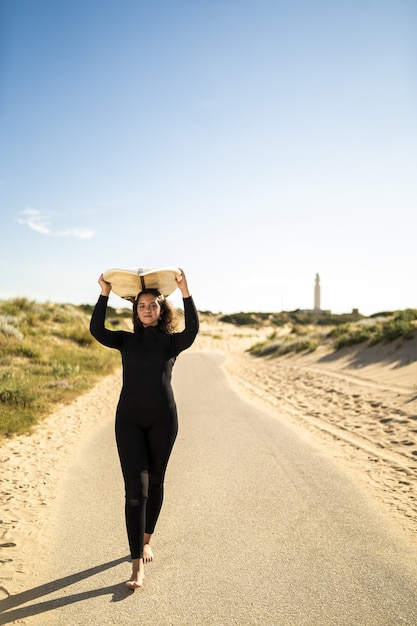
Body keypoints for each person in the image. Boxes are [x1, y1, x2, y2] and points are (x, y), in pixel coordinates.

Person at [90, 269, 199, 589]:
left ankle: (147, 539)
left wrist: (186, 292)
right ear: (135, 311)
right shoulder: (125, 340)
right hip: (129, 421)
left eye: (153, 305)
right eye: (142, 306)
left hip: (163, 420)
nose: (147, 309)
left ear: (161, 309)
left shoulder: (171, 343)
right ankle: (136, 564)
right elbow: (97, 329)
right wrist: (103, 293)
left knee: (157, 482)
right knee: (135, 491)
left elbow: (192, 329)